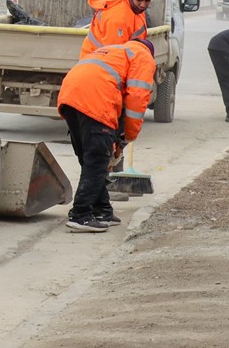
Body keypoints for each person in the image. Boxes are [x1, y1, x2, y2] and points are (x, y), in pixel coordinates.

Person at [57, 38, 156, 232]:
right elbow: (137, 100)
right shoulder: (144, 56)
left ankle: (102, 209)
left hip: (69, 96)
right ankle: (81, 215)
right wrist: (128, 137)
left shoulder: (113, 51)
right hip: (95, 98)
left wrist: (116, 139)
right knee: (97, 159)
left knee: (90, 159)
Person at [79, 0, 156, 59]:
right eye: (139, 0)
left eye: (148, 0)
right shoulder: (117, 16)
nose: (143, 4)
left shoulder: (132, 2)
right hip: (98, 64)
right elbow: (115, 56)